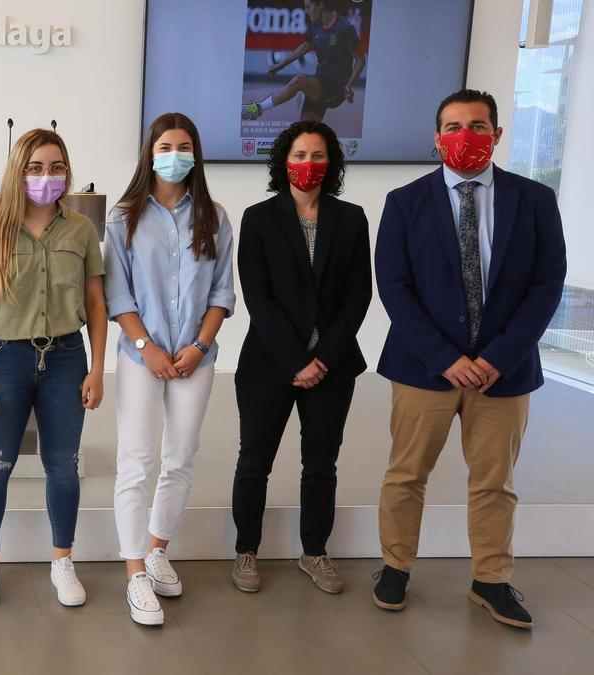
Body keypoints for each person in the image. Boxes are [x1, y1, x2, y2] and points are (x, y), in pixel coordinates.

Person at [371, 89, 566, 629]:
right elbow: (394, 285)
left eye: (478, 126)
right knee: (406, 475)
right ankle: (394, 567)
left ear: (497, 134)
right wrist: (444, 357)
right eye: (454, 126)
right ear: (437, 137)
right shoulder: (404, 202)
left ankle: (491, 580)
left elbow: (548, 283)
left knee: (494, 482)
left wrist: (502, 355)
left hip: (505, 373)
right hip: (422, 369)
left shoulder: (535, 200)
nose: (466, 136)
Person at [0, 129, 108, 610]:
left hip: (66, 358)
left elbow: (95, 302)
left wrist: (98, 368)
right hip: (4, 358)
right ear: (18, 172)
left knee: (63, 466)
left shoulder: (81, 231)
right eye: (36, 168)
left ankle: (62, 559)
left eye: (57, 167)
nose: (48, 177)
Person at [230, 120, 372, 596]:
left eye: (317, 156)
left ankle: (314, 551)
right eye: (298, 156)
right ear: (282, 161)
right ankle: (247, 549)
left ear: (330, 162)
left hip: (332, 367)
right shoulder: (258, 218)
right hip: (269, 364)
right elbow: (258, 297)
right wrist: (296, 359)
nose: (307, 165)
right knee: (254, 461)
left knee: (321, 464)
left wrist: (323, 357)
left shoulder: (351, 219)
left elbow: (358, 297)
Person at [103, 113, 235, 626]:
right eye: (165, 145)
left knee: (180, 458)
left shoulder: (215, 216)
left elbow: (223, 290)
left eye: (183, 145)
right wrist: (146, 345)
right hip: (141, 356)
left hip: (196, 358)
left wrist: (200, 346)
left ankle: (157, 548)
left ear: (195, 153)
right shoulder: (123, 217)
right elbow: (117, 292)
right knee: (136, 461)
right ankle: (135, 571)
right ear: (150, 152)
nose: (174, 153)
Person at [242, 0, 367, 123]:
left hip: (336, 89)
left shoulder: (345, 29)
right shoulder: (315, 25)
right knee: (305, 132)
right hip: (318, 83)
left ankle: (258, 108)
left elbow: (360, 59)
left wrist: (349, 84)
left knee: (299, 80)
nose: (305, 11)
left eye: (308, 7)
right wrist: (281, 65)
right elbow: (306, 46)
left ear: (320, 5)